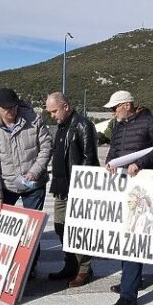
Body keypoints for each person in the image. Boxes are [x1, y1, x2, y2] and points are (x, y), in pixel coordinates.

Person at [104, 90, 153, 305]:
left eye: (114, 108)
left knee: (134, 236)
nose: (113, 113)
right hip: (122, 186)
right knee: (125, 234)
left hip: (142, 187)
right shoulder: (119, 126)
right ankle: (130, 281)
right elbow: (114, 150)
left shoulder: (149, 122)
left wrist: (140, 163)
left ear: (126, 105)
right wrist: (109, 164)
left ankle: (128, 296)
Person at [0, 88, 52, 275]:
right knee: (2, 227)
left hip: (33, 184)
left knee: (31, 229)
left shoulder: (34, 119)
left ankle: (30, 268)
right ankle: (3, 263)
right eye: (6, 109)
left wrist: (35, 172)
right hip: (7, 186)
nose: (12, 112)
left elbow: (46, 147)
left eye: (14, 107)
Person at [44, 92, 99, 287]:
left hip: (77, 189)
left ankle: (84, 269)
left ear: (66, 106)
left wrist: (81, 188)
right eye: (49, 112)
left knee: (78, 230)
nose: (52, 115)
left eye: (54, 111)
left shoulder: (82, 125)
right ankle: (70, 264)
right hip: (60, 188)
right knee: (60, 228)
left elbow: (88, 158)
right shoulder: (61, 126)